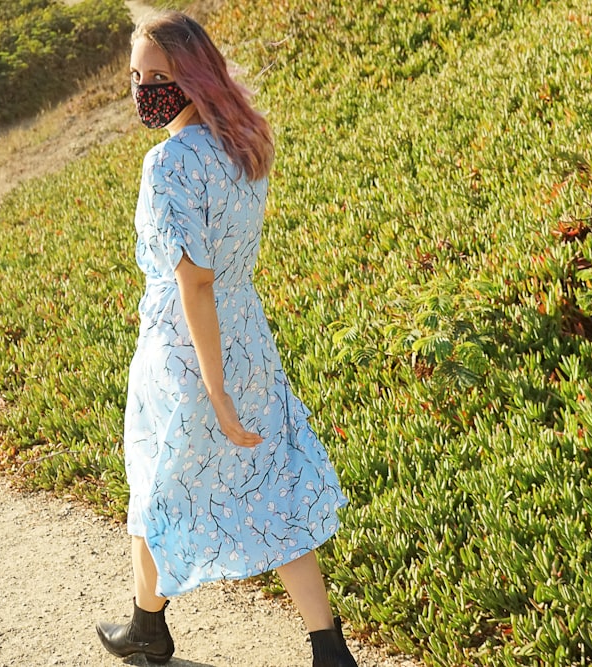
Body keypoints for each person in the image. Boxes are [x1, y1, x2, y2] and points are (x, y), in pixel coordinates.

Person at [96, 11, 357, 667]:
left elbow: (195, 281)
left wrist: (212, 387)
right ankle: (327, 645)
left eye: (156, 75)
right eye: (135, 75)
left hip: (188, 352)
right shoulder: (245, 143)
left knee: (152, 481)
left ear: (192, 74)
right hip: (249, 340)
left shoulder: (169, 165)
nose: (142, 89)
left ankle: (148, 629)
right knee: (272, 479)